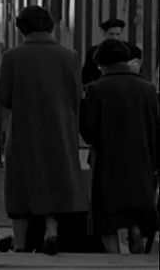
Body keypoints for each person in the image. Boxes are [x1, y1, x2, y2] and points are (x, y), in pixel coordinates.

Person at [0, 6, 88, 255]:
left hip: (25, 131)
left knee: (21, 185)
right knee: (56, 178)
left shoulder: (12, 57)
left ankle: (21, 242)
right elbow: (77, 94)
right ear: (50, 25)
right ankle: (52, 230)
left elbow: (3, 95)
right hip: (61, 130)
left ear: (21, 28)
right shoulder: (70, 56)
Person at [80, 39, 159, 254]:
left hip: (108, 160)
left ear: (102, 65)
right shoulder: (148, 89)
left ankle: (114, 257)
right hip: (141, 158)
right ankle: (135, 230)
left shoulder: (97, 89)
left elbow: (88, 130)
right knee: (137, 205)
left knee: (106, 215)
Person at [81, 18, 125, 86]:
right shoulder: (93, 51)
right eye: (111, 34)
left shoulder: (130, 50)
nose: (115, 37)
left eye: (118, 34)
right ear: (105, 34)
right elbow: (86, 76)